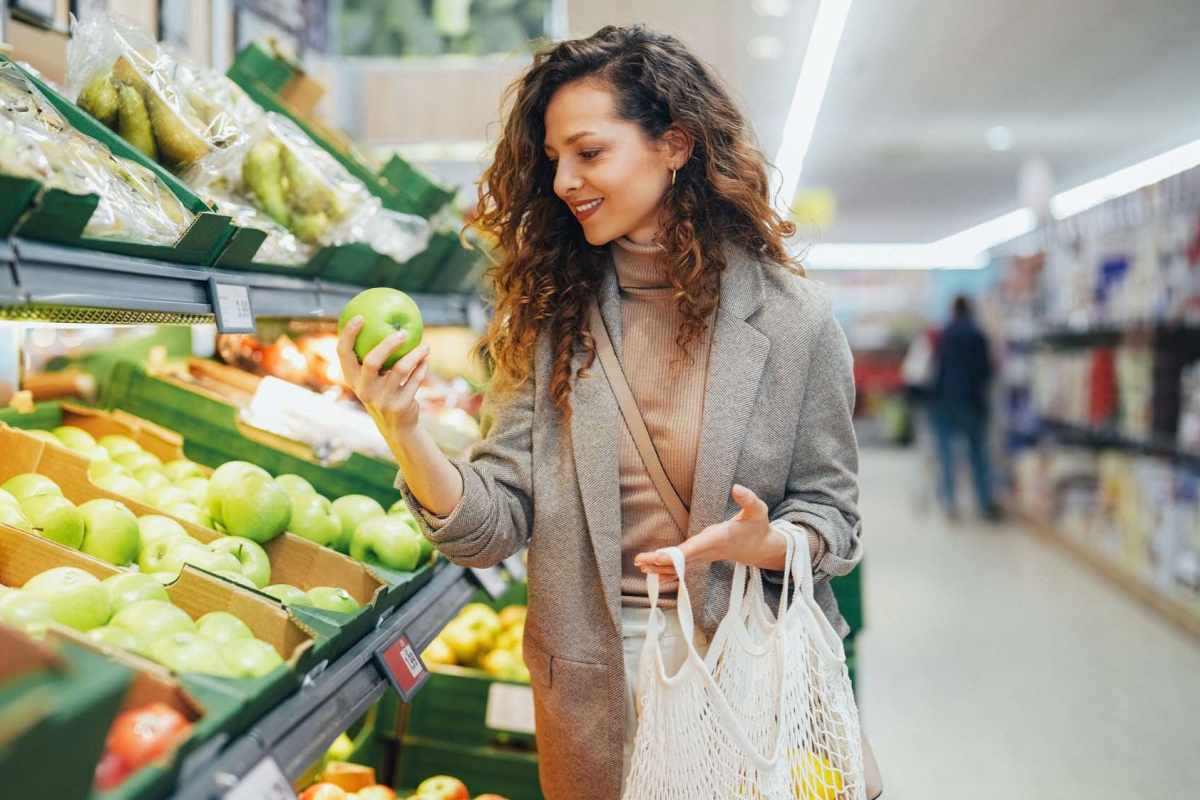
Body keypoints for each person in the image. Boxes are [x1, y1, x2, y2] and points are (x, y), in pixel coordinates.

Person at [337, 26, 862, 800]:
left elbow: (836, 519)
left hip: (742, 669)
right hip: (592, 678)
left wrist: (772, 541)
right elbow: (492, 526)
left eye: (588, 153)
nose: (562, 181)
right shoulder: (549, 319)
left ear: (674, 144)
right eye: (552, 160)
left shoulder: (795, 322)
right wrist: (404, 428)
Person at [929, 294, 1000, 520]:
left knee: (947, 455)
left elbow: (937, 368)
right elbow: (986, 372)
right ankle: (983, 502)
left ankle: (950, 504)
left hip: (945, 401)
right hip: (972, 401)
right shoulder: (978, 336)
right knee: (978, 454)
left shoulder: (945, 335)